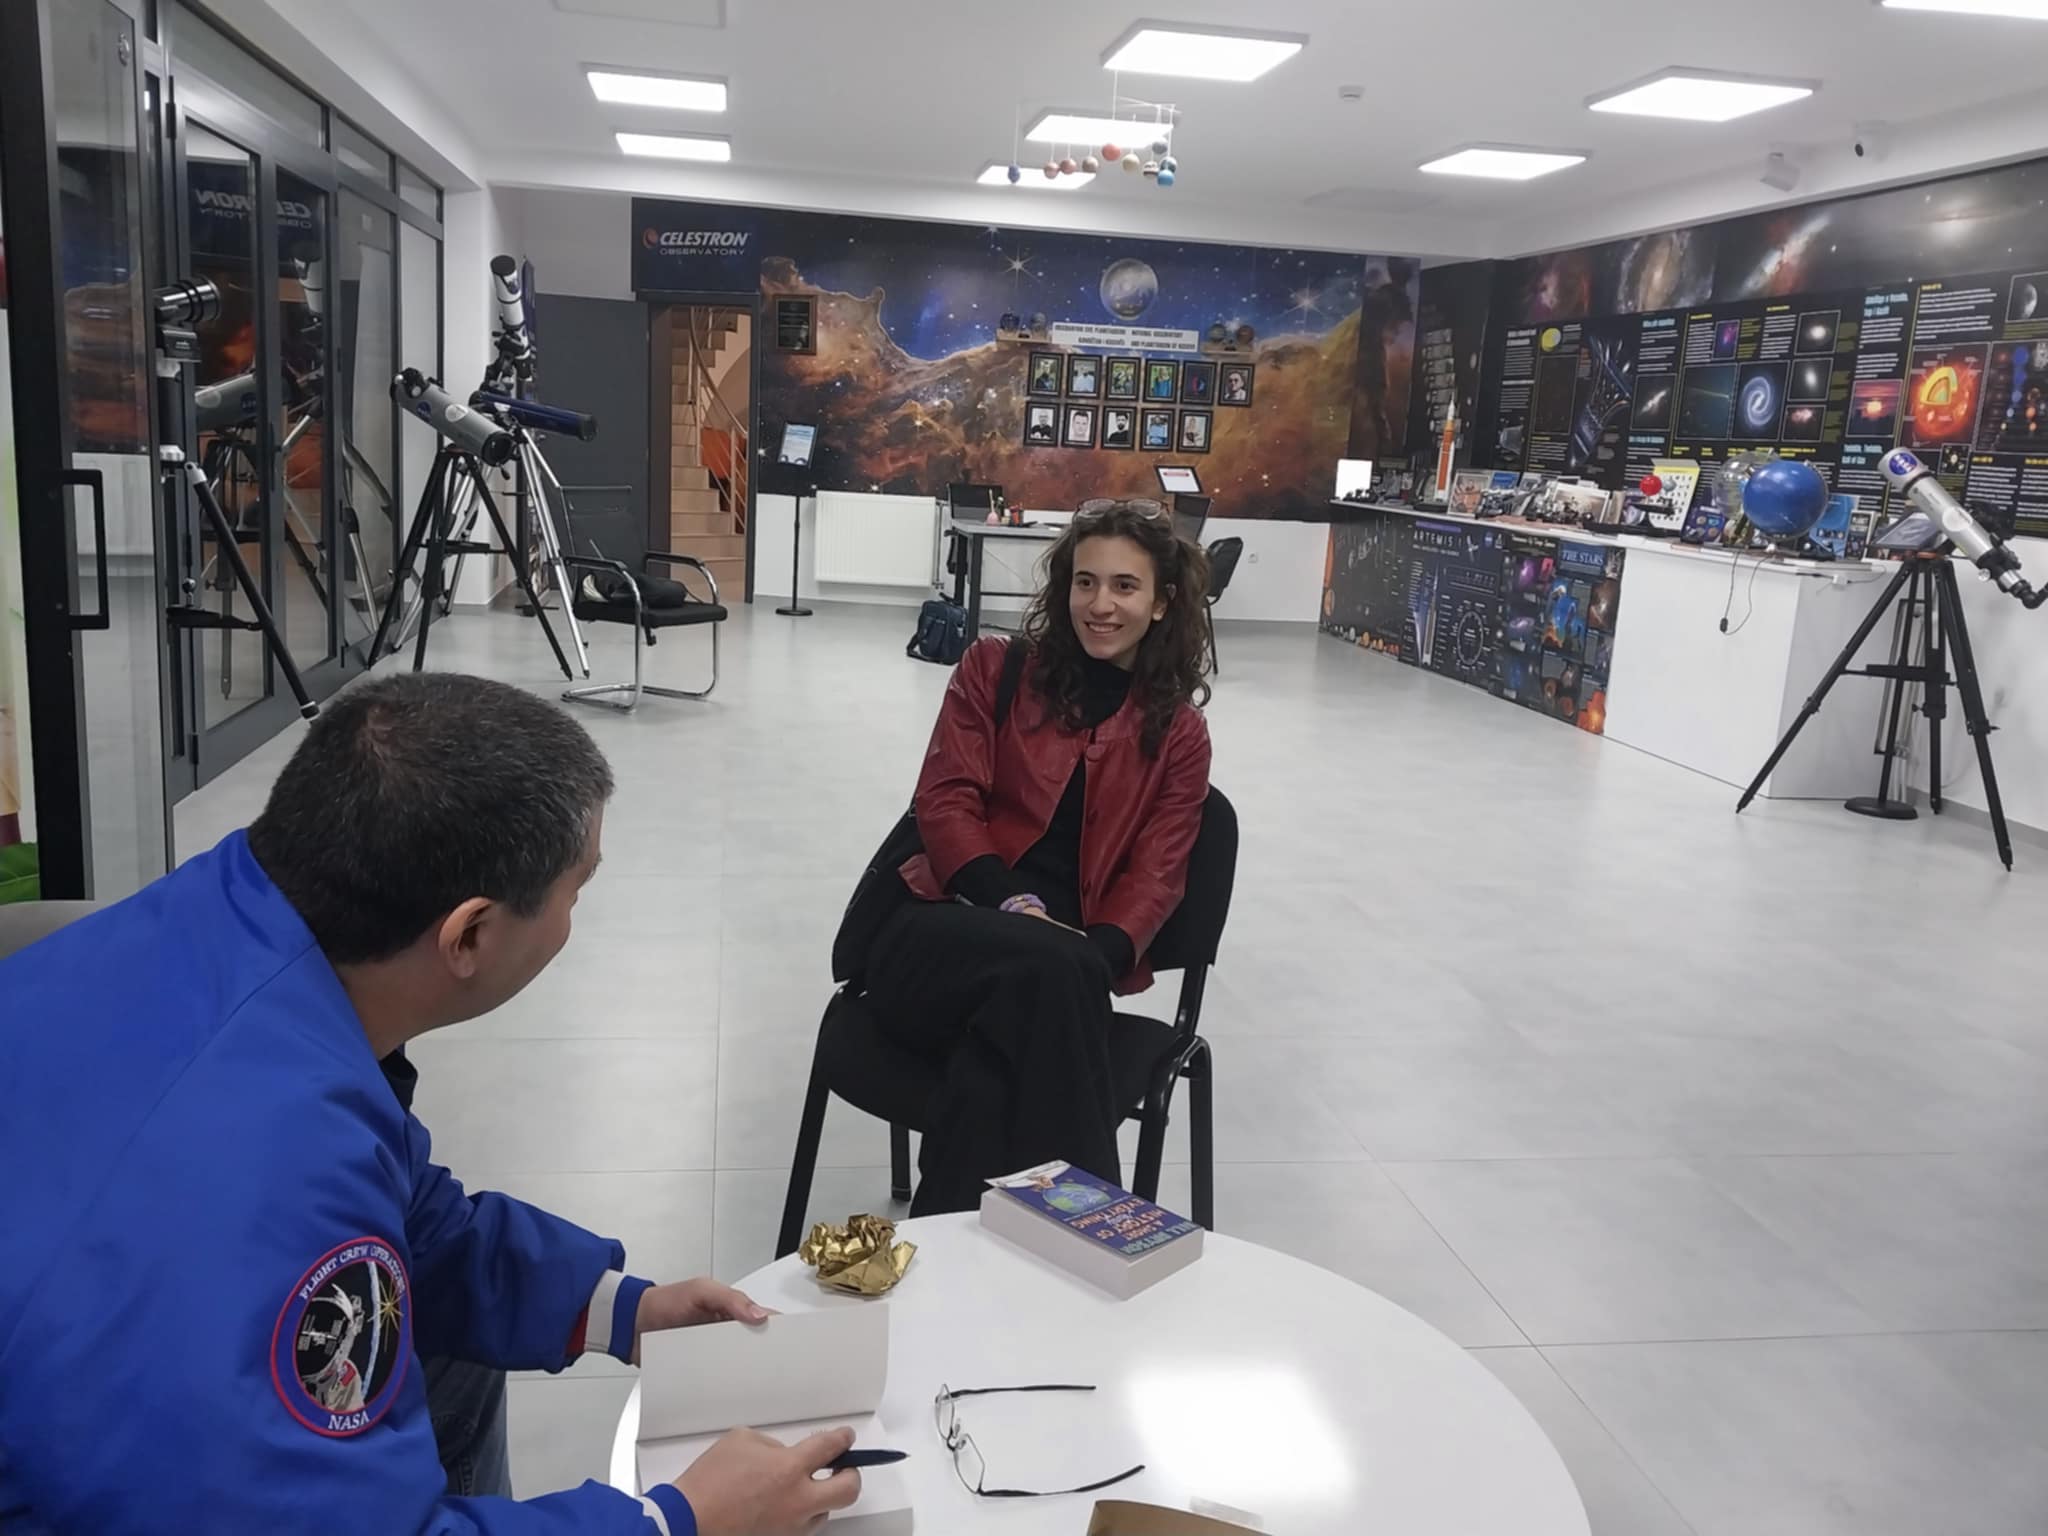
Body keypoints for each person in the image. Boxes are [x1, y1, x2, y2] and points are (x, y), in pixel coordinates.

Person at [0, 674, 860, 1535]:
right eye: (577, 890)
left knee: (440, 1346)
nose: (573, 918)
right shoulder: (264, 1169)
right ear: (470, 934)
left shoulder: (230, 920)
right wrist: (679, 1523)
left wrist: (623, 1309)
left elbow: (410, 1223)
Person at [864, 500, 1212, 1214]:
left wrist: (1098, 952)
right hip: (939, 934)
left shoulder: (1179, 734)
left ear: (1161, 602)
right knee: (1051, 971)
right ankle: (1103, 1232)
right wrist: (1015, 907)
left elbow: (1159, 871)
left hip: (1055, 979)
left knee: (991, 1077)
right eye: (1085, 583)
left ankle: (941, 1250)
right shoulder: (993, 669)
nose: (1100, 604)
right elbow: (946, 802)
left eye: (1124, 586)